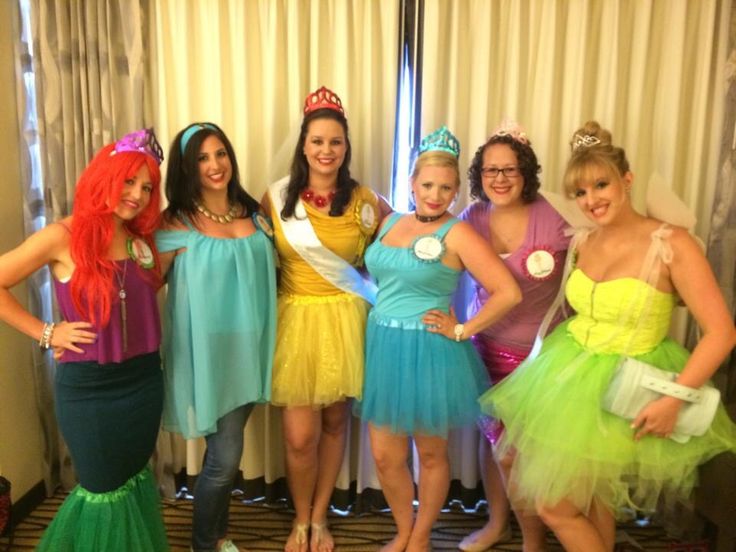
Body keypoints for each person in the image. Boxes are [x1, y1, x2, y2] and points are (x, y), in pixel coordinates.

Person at [480, 121, 736, 552]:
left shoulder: (671, 243)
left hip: (634, 376)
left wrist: (675, 397)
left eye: (601, 185)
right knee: (585, 497)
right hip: (570, 371)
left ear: (626, 180)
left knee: (555, 504)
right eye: (580, 192)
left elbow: (721, 333)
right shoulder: (583, 240)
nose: (591, 200)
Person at [0, 129, 169, 550]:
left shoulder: (140, 239)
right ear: (103, 177)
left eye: (147, 187)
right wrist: (46, 331)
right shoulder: (62, 236)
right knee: (102, 490)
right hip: (91, 392)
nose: (137, 194)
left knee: (131, 480)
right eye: (128, 181)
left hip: (145, 382)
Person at [355, 126, 522, 552]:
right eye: (427, 184)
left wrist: (463, 328)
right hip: (384, 346)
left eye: (446, 188)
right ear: (412, 182)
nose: (435, 194)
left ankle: (422, 535)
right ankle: (404, 529)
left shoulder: (459, 233)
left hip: (430, 349)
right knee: (385, 456)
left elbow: (508, 292)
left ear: (455, 193)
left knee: (430, 453)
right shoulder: (389, 220)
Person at [262, 86, 390, 552]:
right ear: (303, 145)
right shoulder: (275, 198)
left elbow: (402, 239)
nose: (326, 150)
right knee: (300, 438)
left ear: (346, 147)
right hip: (296, 319)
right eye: (317, 141)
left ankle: (320, 518)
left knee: (336, 424)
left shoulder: (364, 200)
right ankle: (299, 517)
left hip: (346, 320)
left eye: (335, 142)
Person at [156, 123, 277, 552]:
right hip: (205, 352)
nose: (214, 165)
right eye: (203, 158)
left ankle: (219, 536)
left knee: (225, 455)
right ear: (188, 167)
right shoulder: (176, 223)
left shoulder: (254, 214)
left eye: (220, 153)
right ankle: (204, 544)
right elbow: (143, 283)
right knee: (224, 459)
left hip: (251, 345)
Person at [458, 122, 570, 552]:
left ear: (526, 172)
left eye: (509, 170)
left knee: (525, 452)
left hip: (542, 356)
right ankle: (497, 523)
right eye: (490, 171)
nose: (499, 179)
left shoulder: (557, 215)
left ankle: (533, 539)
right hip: (485, 349)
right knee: (496, 445)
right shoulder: (473, 217)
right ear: (479, 175)